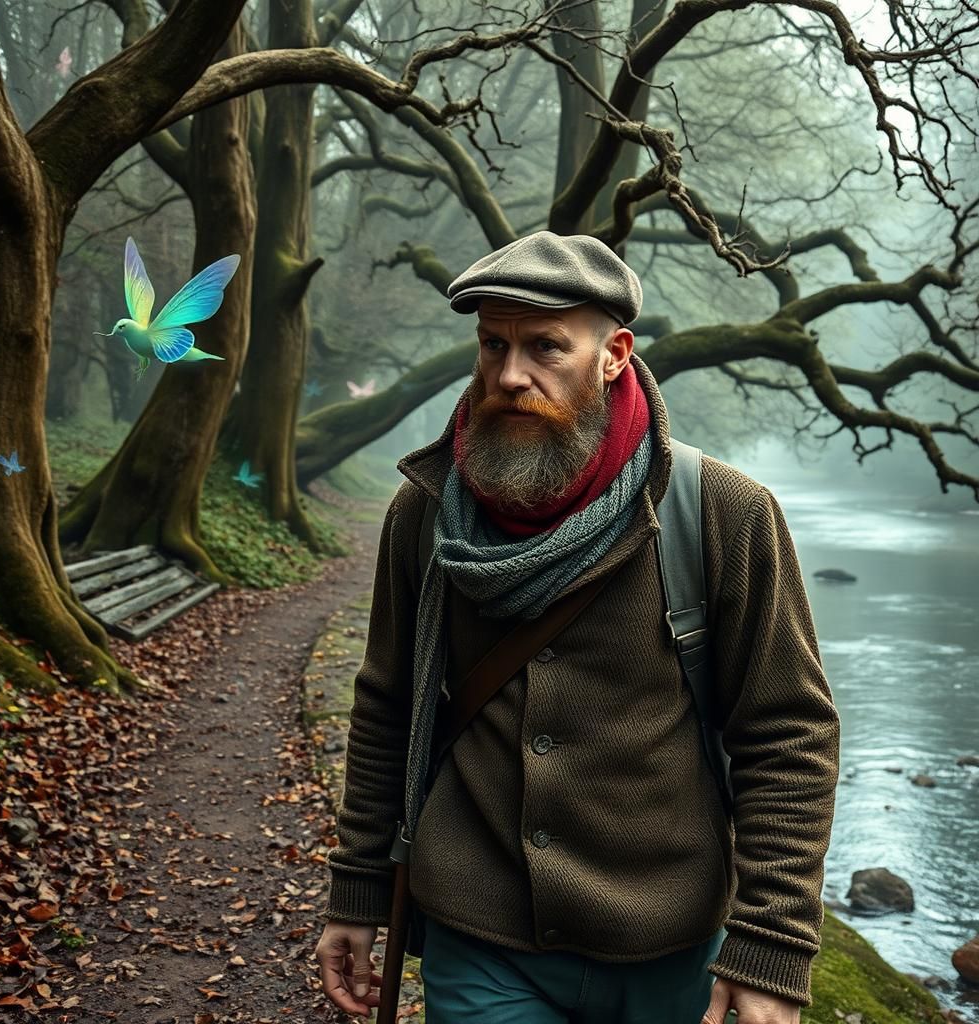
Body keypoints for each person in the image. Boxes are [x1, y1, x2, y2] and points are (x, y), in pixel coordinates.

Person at [314, 230, 841, 1024]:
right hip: (479, 935)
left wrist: (770, 946)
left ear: (614, 354)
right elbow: (388, 705)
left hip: (671, 949)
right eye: (493, 344)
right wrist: (356, 890)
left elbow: (787, 734)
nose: (510, 374)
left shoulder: (722, 514)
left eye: (545, 347)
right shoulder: (426, 513)